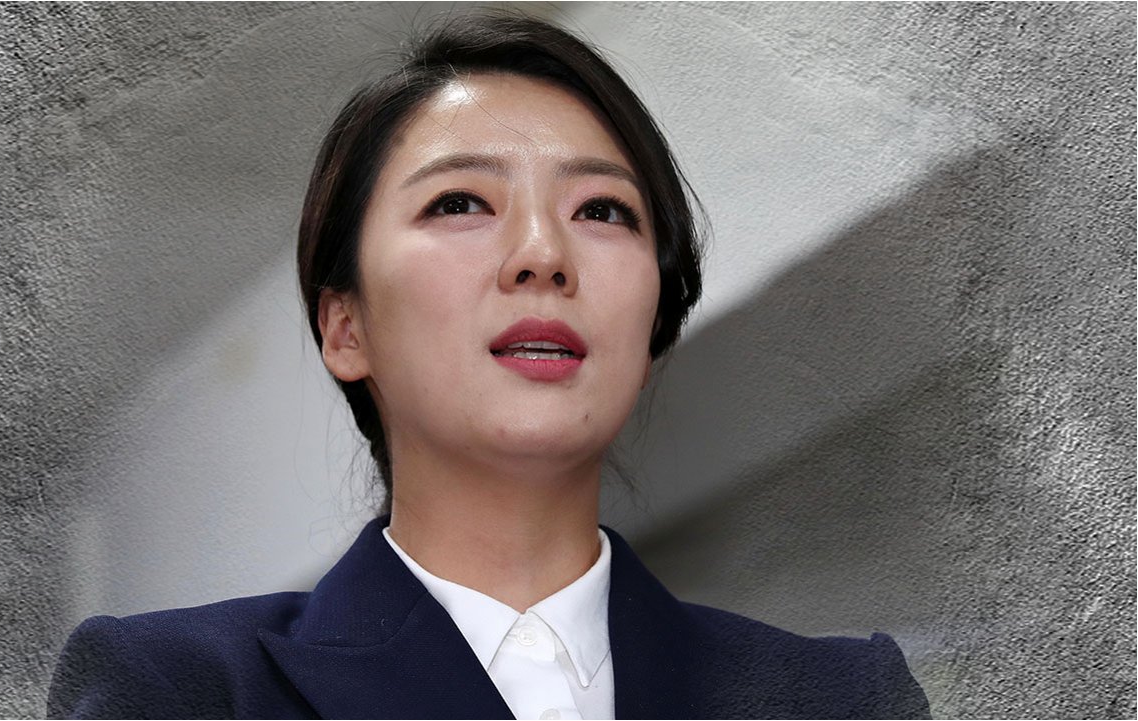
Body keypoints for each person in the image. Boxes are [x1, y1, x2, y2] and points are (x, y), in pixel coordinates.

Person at [48, 13, 931, 720]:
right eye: (460, 201)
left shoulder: (840, 700)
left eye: (602, 211)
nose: (542, 254)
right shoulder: (181, 690)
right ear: (345, 327)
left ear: (652, 330)